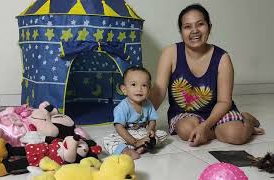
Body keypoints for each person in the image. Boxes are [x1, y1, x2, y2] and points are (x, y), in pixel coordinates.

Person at [150, 4, 264, 147]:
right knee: (186, 131)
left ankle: (247, 120)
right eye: (187, 27)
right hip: (185, 115)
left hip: (217, 111)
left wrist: (205, 126)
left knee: (236, 135)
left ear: (209, 27)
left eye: (200, 24)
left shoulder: (222, 58)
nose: (194, 31)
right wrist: (140, 117)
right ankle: (218, 131)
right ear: (181, 31)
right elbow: (158, 92)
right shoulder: (170, 53)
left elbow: (224, 101)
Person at [103, 66, 168, 159]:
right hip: (126, 134)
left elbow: (152, 120)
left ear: (149, 90)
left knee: (162, 134)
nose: (139, 89)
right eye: (134, 84)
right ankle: (126, 150)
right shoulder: (122, 107)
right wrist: (135, 141)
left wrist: (150, 130)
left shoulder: (148, 104)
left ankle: (142, 146)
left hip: (142, 133)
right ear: (124, 89)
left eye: (144, 85)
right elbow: (119, 127)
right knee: (108, 140)